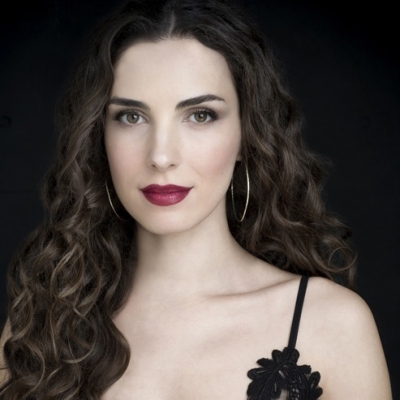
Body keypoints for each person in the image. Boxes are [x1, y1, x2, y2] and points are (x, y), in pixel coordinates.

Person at [0, 0, 392, 398]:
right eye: (131, 117)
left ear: (247, 133)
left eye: (200, 115)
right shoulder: (45, 324)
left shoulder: (332, 324)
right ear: (99, 136)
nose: (161, 156)